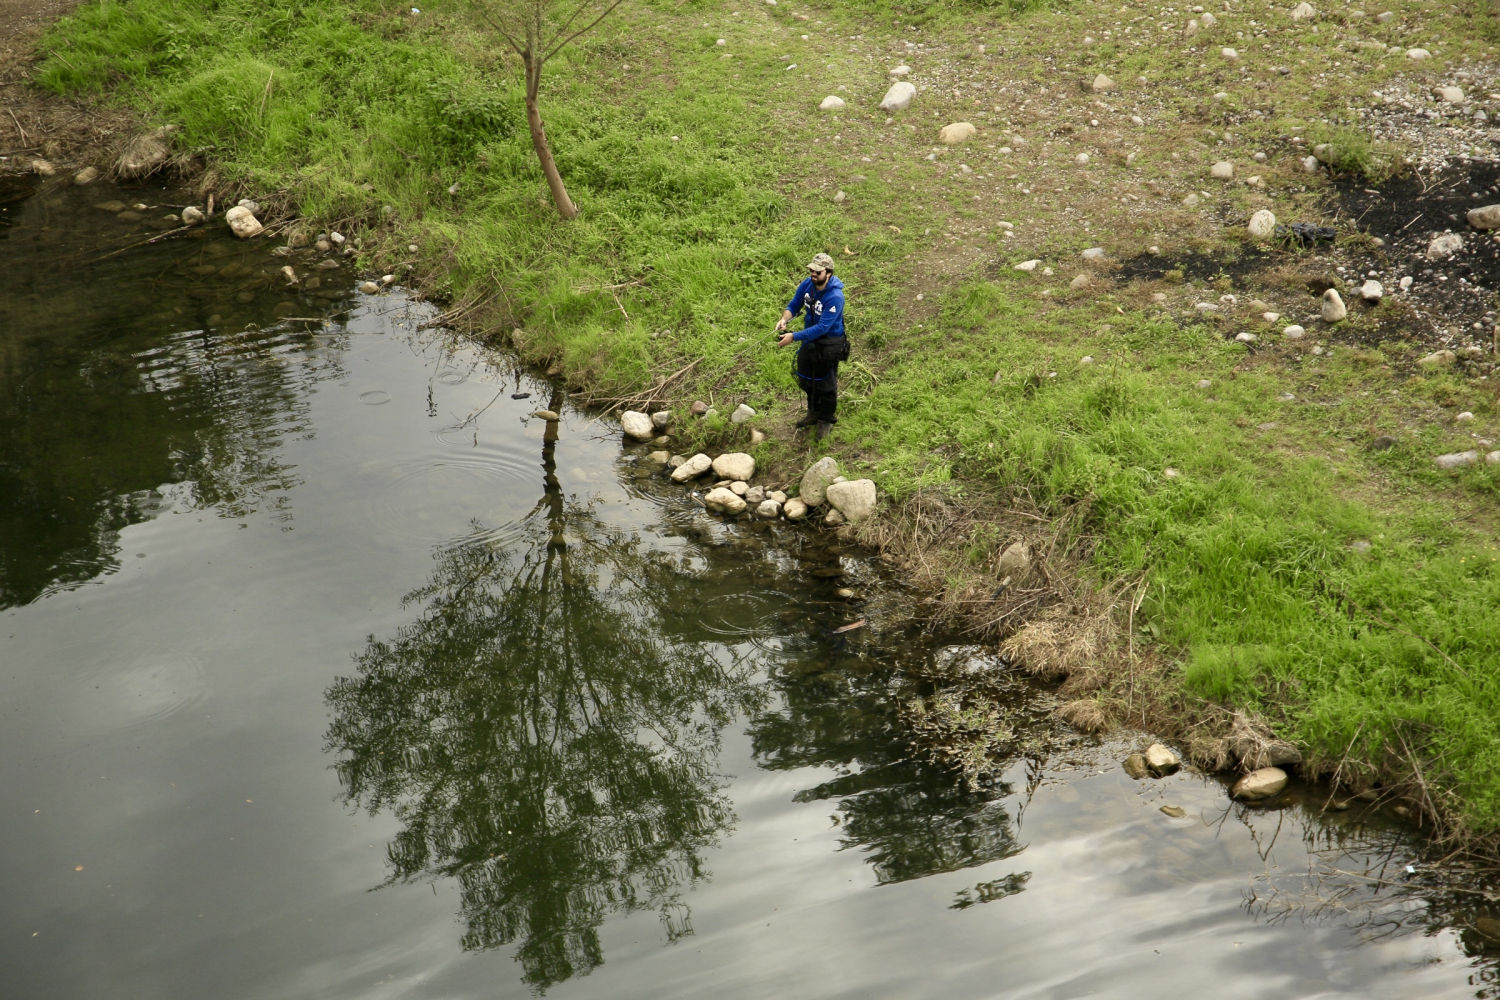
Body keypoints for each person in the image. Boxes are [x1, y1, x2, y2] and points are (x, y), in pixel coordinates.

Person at [775, 252, 847, 439]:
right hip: (810, 339)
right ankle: (813, 413)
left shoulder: (835, 297)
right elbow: (794, 305)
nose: (813, 274)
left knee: (827, 383)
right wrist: (784, 320)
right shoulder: (807, 284)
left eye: (818, 271)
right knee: (807, 378)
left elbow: (823, 327)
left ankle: (826, 419)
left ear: (828, 273)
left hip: (830, 342)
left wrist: (794, 336)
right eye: (811, 270)